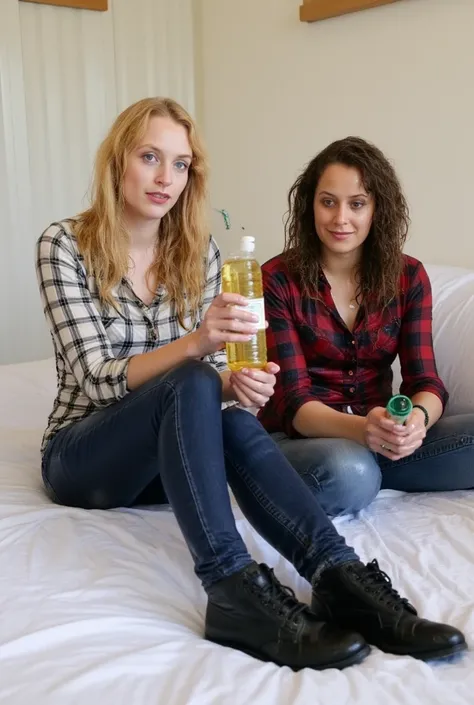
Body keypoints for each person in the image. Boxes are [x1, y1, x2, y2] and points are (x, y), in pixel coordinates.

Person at [36, 102, 465, 671]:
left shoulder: (199, 252)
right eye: (149, 158)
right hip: (84, 457)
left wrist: (239, 384)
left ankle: (339, 575)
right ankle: (231, 588)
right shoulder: (64, 244)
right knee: (191, 378)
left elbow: (207, 388)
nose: (166, 178)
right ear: (118, 162)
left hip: (164, 464)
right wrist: (198, 349)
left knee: (229, 411)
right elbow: (94, 378)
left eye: (181, 164)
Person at [259, 136, 474, 519]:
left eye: (357, 204)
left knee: (363, 467)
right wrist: (363, 432)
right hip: (303, 438)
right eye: (328, 202)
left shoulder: (408, 276)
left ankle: (378, 470)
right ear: (310, 205)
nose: (341, 218)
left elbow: (426, 382)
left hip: (381, 437)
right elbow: (293, 403)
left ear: (377, 209)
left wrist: (415, 424)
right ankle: (364, 475)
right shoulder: (277, 278)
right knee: (350, 471)